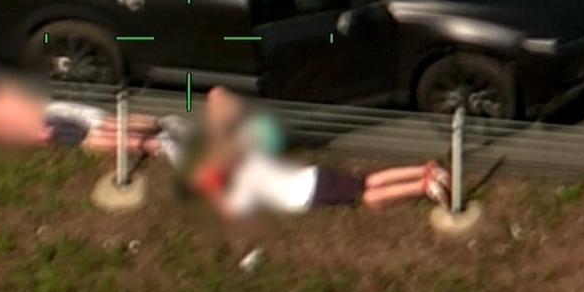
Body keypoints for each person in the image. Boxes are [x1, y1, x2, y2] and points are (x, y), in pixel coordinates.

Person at [191, 87, 450, 219]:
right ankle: (426, 171)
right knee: (367, 182)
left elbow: (233, 210)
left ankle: (425, 185)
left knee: (372, 199)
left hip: (310, 192)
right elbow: (217, 95)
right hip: (315, 179)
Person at [0, 69, 186, 165]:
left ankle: (162, 133)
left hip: (55, 117)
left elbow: (40, 133)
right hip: (57, 120)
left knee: (105, 129)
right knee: (100, 135)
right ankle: (160, 136)